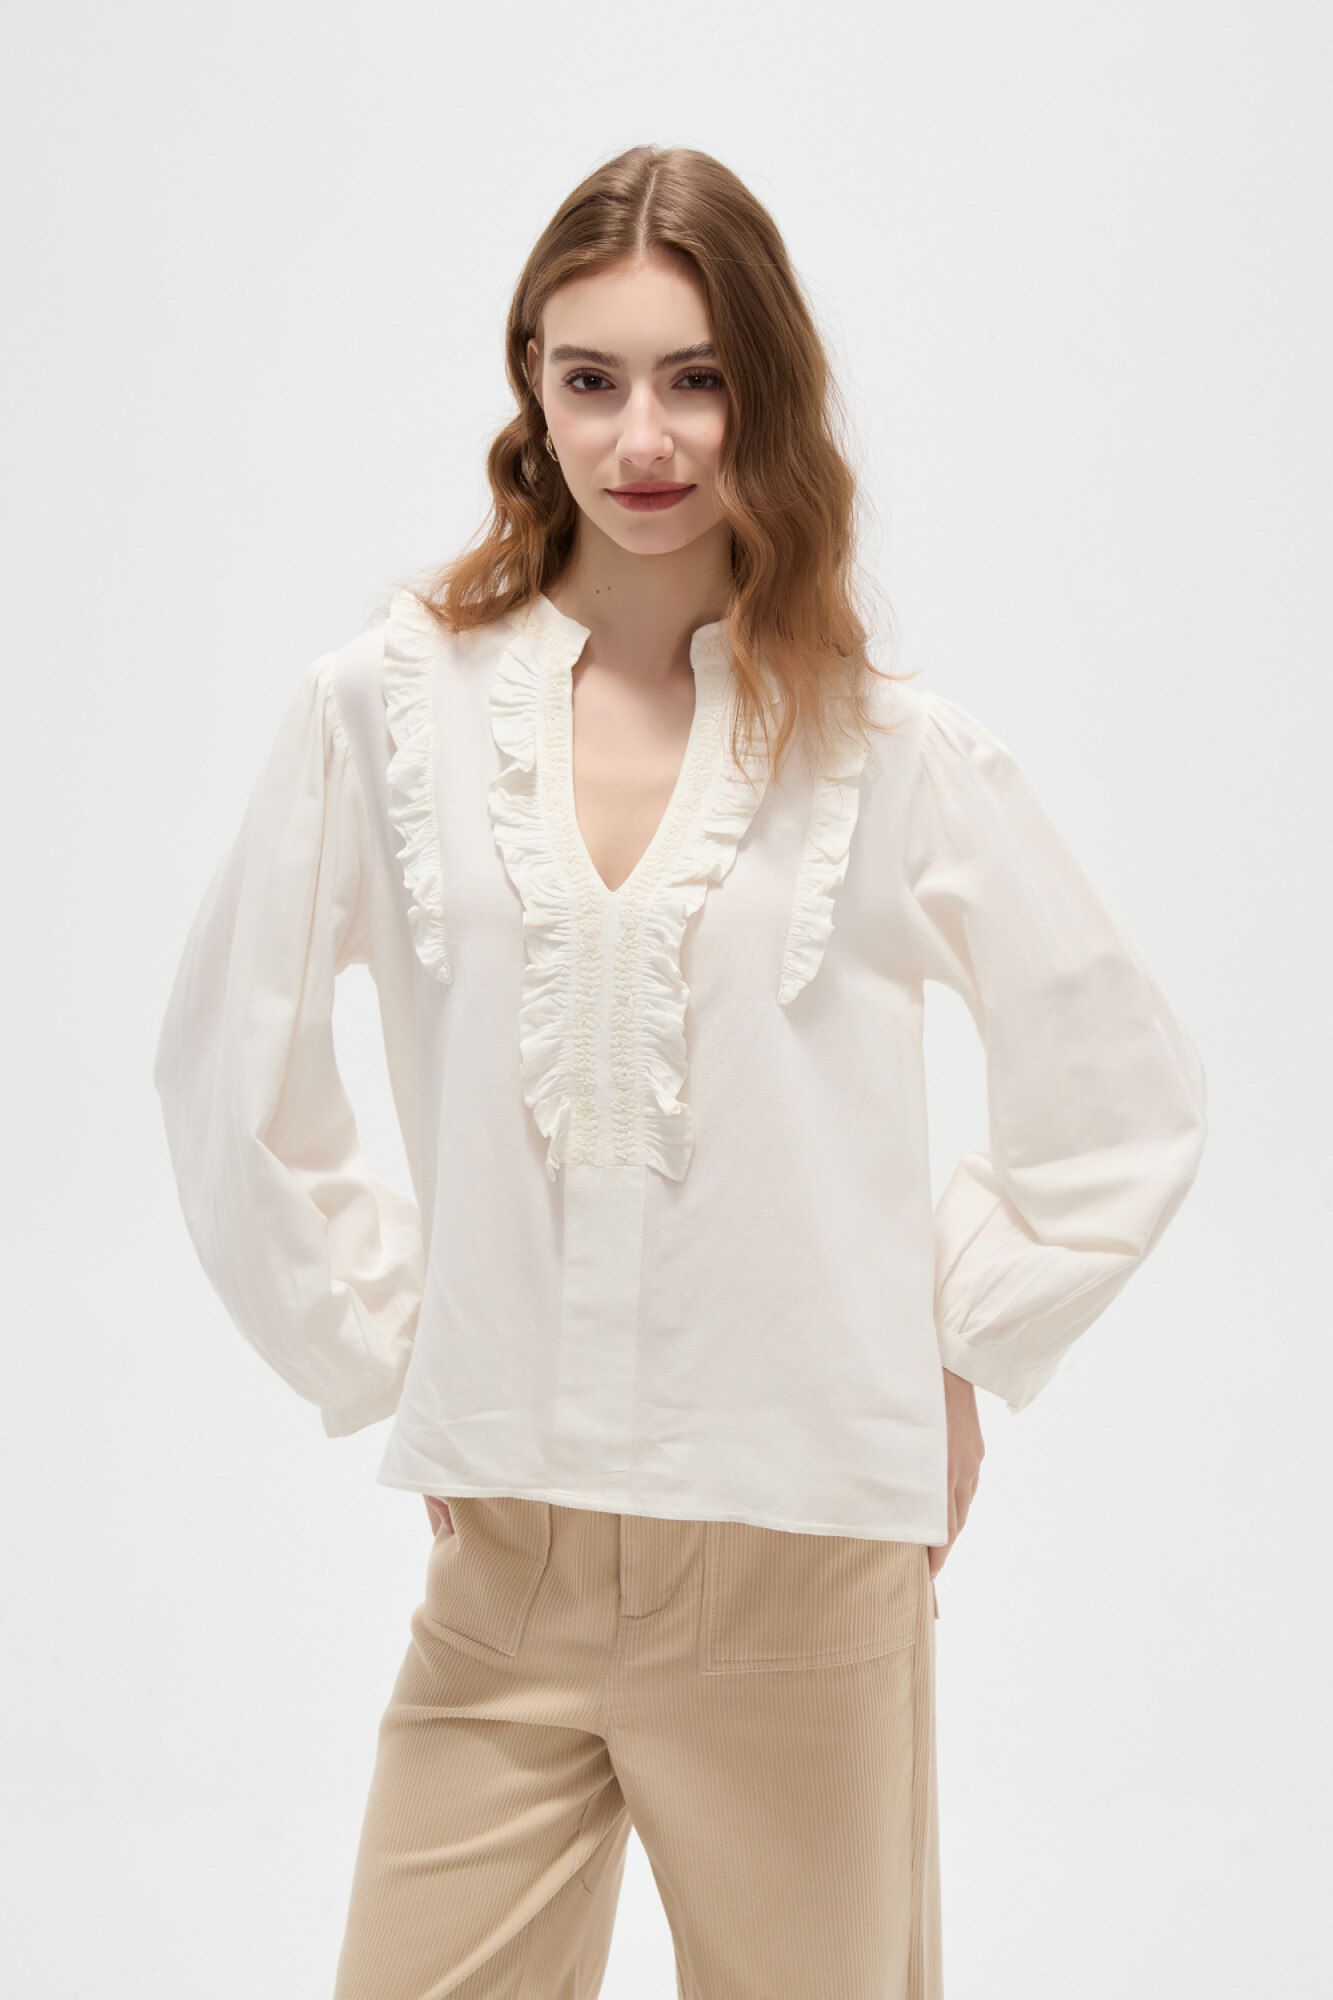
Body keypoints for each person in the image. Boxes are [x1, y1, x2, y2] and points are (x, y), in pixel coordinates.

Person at [153, 145, 1207, 2000]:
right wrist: (396, 1354)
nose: (641, 438)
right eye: (592, 378)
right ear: (532, 387)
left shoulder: (891, 752)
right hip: (509, 1572)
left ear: (764, 395)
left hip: (806, 1547)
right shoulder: (383, 713)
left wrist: (959, 1345)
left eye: (696, 378)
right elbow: (226, 1074)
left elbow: (1117, 1098)